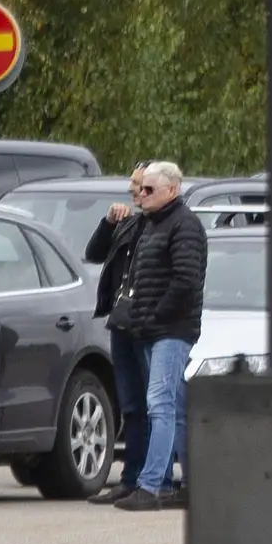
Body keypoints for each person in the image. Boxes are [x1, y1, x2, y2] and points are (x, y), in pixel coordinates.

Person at [87, 162, 207, 506]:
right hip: (139, 326)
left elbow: (185, 282)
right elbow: (99, 256)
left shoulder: (183, 226)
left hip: (167, 328)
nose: (138, 196)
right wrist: (110, 222)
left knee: (161, 404)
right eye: (136, 191)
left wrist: (152, 316)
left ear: (171, 190)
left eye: (146, 189)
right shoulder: (146, 224)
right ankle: (147, 481)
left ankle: (154, 484)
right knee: (145, 405)